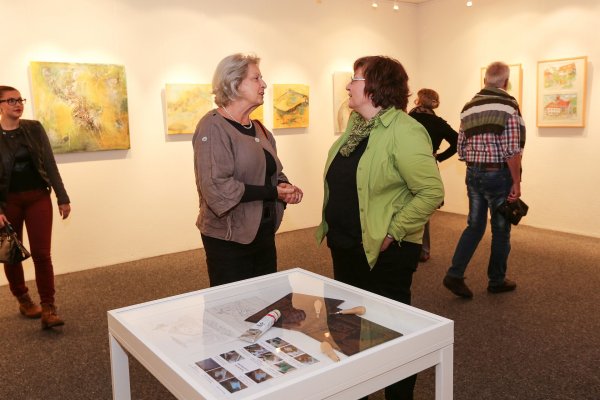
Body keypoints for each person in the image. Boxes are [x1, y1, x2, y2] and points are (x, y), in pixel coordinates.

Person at [316, 56, 444, 400]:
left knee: (391, 333)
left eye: (355, 79)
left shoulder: (406, 131)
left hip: (386, 252)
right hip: (347, 246)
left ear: (375, 86)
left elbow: (431, 192)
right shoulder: (357, 127)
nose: (348, 86)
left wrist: (393, 231)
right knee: (349, 328)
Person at [193, 54, 302, 287]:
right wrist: (273, 192)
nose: (264, 84)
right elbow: (217, 187)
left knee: (266, 297)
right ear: (234, 83)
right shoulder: (213, 126)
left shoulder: (260, 129)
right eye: (256, 78)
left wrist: (285, 187)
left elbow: (274, 172)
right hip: (229, 239)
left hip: (263, 233)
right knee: (233, 304)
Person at [442, 61, 526, 298]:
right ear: (506, 82)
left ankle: (455, 274)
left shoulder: (469, 107)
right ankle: (496, 280)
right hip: (498, 176)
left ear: (485, 80)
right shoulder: (509, 106)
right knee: (501, 229)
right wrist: (516, 182)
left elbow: (461, 148)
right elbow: (512, 150)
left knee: (474, 225)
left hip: (473, 173)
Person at [0, 85, 71, 329]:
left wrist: (62, 196)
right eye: (11, 101)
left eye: (20, 100)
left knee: (42, 254)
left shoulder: (34, 128)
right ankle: (23, 298)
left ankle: (48, 308)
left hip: (37, 197)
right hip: (7, 202)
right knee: (11, 253)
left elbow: (49, 163)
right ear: (0, 106)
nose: (17, 104)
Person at [409, 89, 458, 262]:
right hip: (428, 166)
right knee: (423, 207)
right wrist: (439, 157)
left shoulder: (408, 119)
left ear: (419, 100)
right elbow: (457, 141)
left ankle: (405, 247)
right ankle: (424, 250)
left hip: (405, 165)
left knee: (403, 204)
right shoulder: (438, 123)